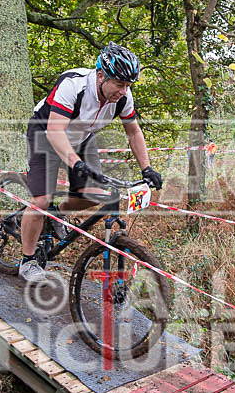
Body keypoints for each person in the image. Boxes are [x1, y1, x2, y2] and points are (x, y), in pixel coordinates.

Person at [19, 42, 163, 283]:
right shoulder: (73, 85)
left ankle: (56, 216)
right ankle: (28, 260)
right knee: (41, 200)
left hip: (82, 137)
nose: (123, 91)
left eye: (127, 85)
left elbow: (134, 132)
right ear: (100, 75)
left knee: (96, 194)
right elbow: (55, 131)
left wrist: (147, 168)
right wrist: (75, 163)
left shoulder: (123, 98)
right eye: (118, 84)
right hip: (45, 134)